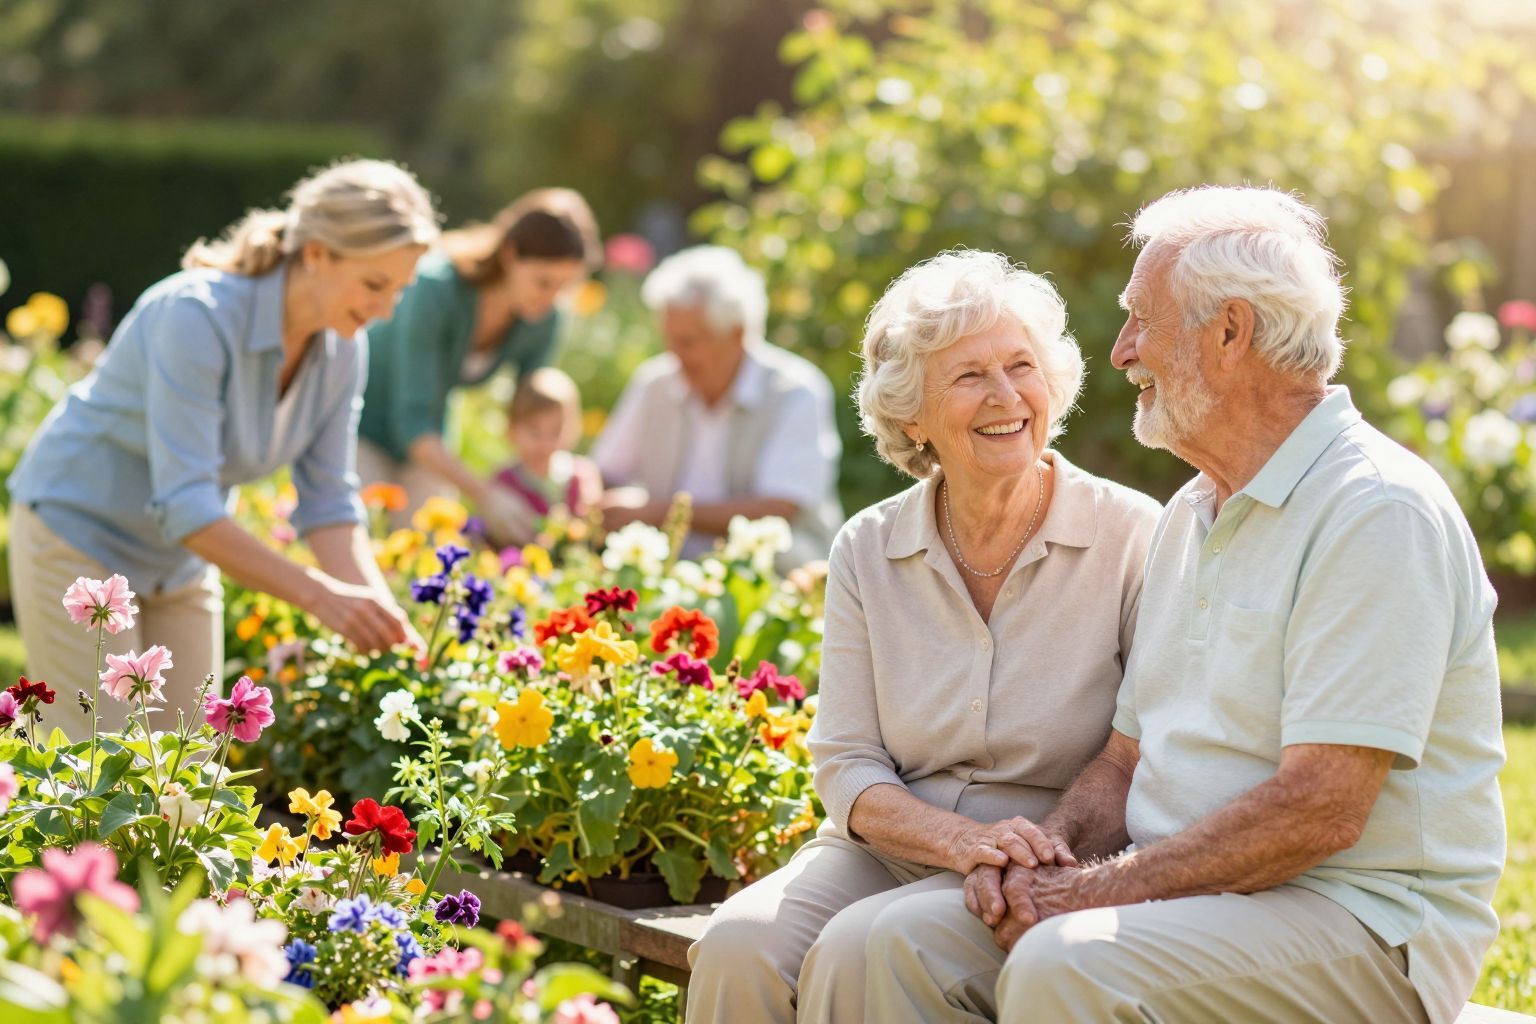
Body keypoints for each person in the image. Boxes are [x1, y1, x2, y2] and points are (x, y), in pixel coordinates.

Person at [861, 187, 1506, 1024]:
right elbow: (1124, 759)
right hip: (1187, 891)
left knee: (1069, 964)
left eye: (1141, 320)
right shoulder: (1191, 512)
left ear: (1231, 332)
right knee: (895, 944)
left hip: (1362, 922)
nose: (1122, 350)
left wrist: (1089, 894)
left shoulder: (1375, 512)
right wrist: (1044, 859)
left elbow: (1320, 809)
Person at [685, 250, 1162, 1023]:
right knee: (738, 943)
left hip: (1051, 847)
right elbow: (845, 761)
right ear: (913, 415)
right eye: (969, 376)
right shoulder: (867, 547)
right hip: (890, 846)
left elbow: (1136, 755)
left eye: (1020, 366)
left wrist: (1020, 855)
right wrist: (957, 841)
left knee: (857, 949)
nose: (1006, 396)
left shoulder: (1134, 534)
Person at [8, 159, 439, 738]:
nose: (386, 309)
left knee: (190, 777)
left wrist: (378, 613)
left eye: (399, 289)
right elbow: (186, 505)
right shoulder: (196, 316)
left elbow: (330, 504)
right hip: (77, 535)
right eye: (374, 284)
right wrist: (320, 597)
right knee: (95, 776)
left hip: (178, 562)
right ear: (315, 253)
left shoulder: (343, 349)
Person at [355, 188, 601, 542]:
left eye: (564, 287)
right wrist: (486, 494)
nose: (551, 299)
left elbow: (531, 410)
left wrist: (562, 482)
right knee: (360, 534)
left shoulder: (543, 317)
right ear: (509, 254)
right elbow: (412, 422)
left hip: (428, 440)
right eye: (543, 282)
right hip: (363, 425)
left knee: (427, 548)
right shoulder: (436, 290)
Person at [592, 245, 844, 568]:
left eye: (688, 342)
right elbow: (605, 472)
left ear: (737, 333)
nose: (674, 353)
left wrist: (658, 512)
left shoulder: (795, 391)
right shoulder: (655, 383)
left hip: (770, 571)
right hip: (669, 566)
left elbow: (780, 510)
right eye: (668, 339)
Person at [491, 367, 602, 520]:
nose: (545, 443)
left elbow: (594, 521)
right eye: (534, 431)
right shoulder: (503, 482)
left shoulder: (581, 476)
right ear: (512, 428)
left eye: (556, 431)